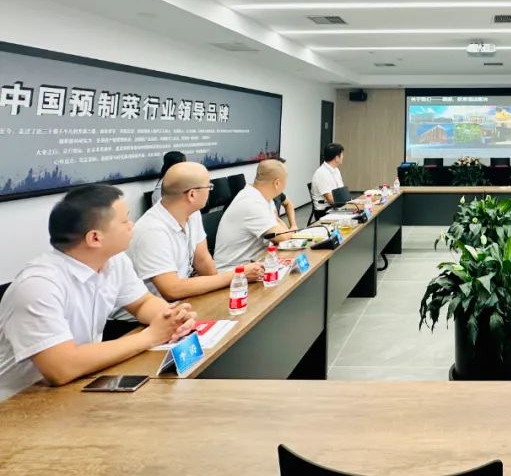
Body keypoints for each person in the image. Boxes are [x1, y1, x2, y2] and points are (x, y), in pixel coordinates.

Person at [0, 185, 197, 401]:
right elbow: (61, 367)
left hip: (78, 385)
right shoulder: (38, 286)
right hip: (19, 403)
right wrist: (150, 337)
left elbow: (142, 303)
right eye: (124, 221)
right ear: (95, 238)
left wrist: (172, 318)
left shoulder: (113, 261)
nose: (132, 225)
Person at [120, 162, 263, 315]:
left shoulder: (192, 214)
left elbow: (202, 260)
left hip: (180, 304)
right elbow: (172, 290)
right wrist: (236, 276)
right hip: (140, 319)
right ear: (192, 194)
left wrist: (221, 294)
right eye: (209, 187)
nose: (210, 191)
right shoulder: (152, 230)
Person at [214, 159, 292, 268]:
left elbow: (280, 230)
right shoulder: (252, 202)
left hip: (256, 262)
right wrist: (286, 231)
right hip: (235, 271)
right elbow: (283, 237)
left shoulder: (265, 198)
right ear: (277, 183)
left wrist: (284, 230)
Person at [311, 143, 346, 214]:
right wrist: (347, 204)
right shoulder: (322, 173)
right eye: (342, 154)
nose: (343, 157)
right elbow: (330, 200)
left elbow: (341, 191)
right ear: (337, 158)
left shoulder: (336, 170)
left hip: (336, 206)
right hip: (325, 211)